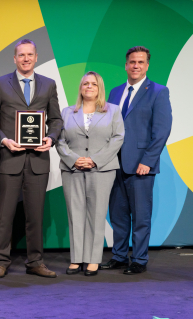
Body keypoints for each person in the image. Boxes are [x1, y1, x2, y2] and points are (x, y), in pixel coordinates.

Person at [0, 39, 63, 278]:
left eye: (30, 54)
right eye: (21, 55)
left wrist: (50, 139)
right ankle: (1, 261)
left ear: (36, 57)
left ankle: (35, 261)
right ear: (14, 58)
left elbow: (56, 120)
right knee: (5, 214)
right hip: (9, 158)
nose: (26, 59)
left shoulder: (48, 85)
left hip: (38, 160)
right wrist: (3, 140)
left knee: (35, 215)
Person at [101, 46, 172, 274]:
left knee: (141, 217)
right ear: (126, 65)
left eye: (141, 62)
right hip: (114, 164)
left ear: (147, 66)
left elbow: (161, 131)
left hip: (141, 165)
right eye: (132, 62)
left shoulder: (158, 92)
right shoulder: (114, 92)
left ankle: (139, 260)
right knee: (118, 215)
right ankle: (120, 256)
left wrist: (148, 161)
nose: (136, 66)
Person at [56, 71, 124, 276]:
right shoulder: (67, 112)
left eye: (93, 84)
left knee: (96, 214)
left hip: (102, 169)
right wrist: (73, 159)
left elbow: (118, 138)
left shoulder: (113, 111)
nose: (89, 87)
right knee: (75, 214)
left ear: (99, 88)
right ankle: (76, 259)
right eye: (85, 83)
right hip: (72, 169)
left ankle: (93, 259)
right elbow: (59, 140)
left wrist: (95, 160)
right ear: (80, 87)